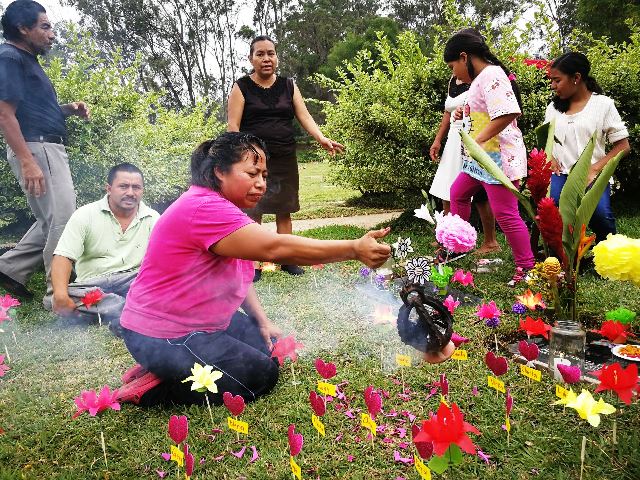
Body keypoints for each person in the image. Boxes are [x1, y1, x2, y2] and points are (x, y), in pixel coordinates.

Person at [115, 132, 455, 407]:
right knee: (261, 375)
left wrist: (262, 320)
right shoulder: (204, 208)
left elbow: (235, 272)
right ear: (219, 172)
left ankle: (172, 366)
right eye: (251, 173)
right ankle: (154, 385)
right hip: (164, 332)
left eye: (263, 175)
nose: (261, 183)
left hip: (194, 322)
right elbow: (275, 247)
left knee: (263, 346)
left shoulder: (220, 209)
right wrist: (352, 248)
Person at [227, 35, 344, 281]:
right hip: (254, 160)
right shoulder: (241, 86)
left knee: (285, 209)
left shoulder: (289, 85)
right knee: (253, 210)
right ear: (251, 59)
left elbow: (305, 116)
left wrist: (321, 138)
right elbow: (233, 125)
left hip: (284, 155)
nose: (266, 58)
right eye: (260, 54)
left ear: (277, 57)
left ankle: (287, 260)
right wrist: (238, 156)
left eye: (270, 53)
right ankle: (253, 264)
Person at [0, 0, 89, 301]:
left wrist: (68, 109)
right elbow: (4, 114)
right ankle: (59, 294)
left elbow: (31, 110)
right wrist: (28, 161)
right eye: (45, 26)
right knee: (64, 220)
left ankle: (8, 269)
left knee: (49, 220)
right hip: (38, 149)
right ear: (23, 29)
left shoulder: (24, 61)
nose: (52, 34)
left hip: (40, 146)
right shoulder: (11, 57)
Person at [443, 30, 535, 286]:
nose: (454, 74)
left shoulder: (492, 74)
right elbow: (484, 110)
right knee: (458, 193)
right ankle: (458, 247)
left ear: (464, 57)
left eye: (453, 66)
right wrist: (464, 111)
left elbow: (507, 114)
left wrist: (478, 140)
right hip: (480, 160)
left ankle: (527, 267)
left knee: (505, 213)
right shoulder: (480, 79)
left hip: (498, 159)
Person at [46, 163, 159, 335]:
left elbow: (163, 262)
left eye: (136, 187)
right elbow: (63, 256)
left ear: (142, 190)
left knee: (165, 286)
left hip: (134, 280)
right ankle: (134, 313)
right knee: (62, 294)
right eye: (123, 186)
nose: (130, 192)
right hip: (94, 284)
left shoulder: (153, 218)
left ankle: (117, 313)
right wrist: (61, 296)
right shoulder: (85, 215)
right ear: (109, 188)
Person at [545, 52, 631, 242]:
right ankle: (562, 256)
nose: (553, 86)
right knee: (554, 211)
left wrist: (594, 169)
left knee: (601, 215)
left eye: (557, 80)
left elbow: (623, 146)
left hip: (592, 175)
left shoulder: (603, 105)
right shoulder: (553, 107)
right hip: (561, 174)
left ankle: (609, 253)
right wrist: (549, 157)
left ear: (576, 78)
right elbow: (546, 140)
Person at [429, 74, 500, 255]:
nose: (452, 69)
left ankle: (490, 241)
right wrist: (438, 140)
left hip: (473, 138)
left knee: (480, 194)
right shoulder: (453, 79)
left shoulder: (479, 78)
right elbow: (448, 112)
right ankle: (447, 237)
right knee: (448, 189)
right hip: (453, 140)